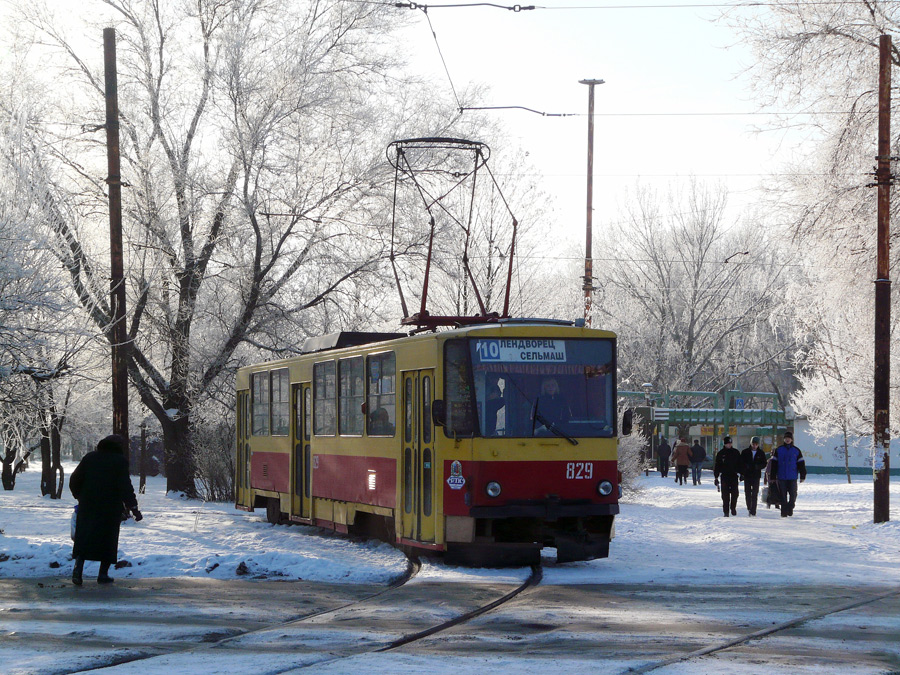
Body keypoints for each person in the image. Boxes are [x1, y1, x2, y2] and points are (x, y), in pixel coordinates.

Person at [70, 435, 142, 585]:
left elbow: (74, 479)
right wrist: (134, 508)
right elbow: (125, 486)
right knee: (108, 540)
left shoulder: (89, 457)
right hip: (110, 507)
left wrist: (80, 497)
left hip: (88, 505)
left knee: (84, 538)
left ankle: (78, 570)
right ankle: (103, 574)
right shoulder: (119, 461)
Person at [769, 431, 806, 517]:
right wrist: (773, 476)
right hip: (781, 477)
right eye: (786, 438)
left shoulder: (796, 450)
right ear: (784, 439)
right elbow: (774, 464)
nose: (787, 439)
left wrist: (803, 475)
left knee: (793, 494)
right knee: (783, 495)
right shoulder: (779, 450)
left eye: (789, 438)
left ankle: (790, 507)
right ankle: (784, 512)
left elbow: (801, 464)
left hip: (792, 477)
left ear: (792, 439)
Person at [714, 436, 742, 517]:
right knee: (725, 495)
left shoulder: (736, 452)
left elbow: (740, 464)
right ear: (725, 444)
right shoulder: (721, 453)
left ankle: (733, 507)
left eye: (730, 443)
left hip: (734, 476)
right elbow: (717, 466)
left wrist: (741, 474)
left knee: (735, 494)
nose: (729, 445)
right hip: (725, 476)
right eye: (727, 444)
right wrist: (716, 477)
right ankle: (726, 511)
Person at [741, 436, 768, 516]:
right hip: (747, 475)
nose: (754, 446)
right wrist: (745, 468)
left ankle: (753, 510)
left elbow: (764, 463)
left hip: (756, 475)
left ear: (758, 445)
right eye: (753, 444)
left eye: (756, 444)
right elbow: (741, 462)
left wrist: (758, 466)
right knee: (748, 493)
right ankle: (749, 507)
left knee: (755, 493)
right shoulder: (745, 452)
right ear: (751, 443)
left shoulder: (761, 453)